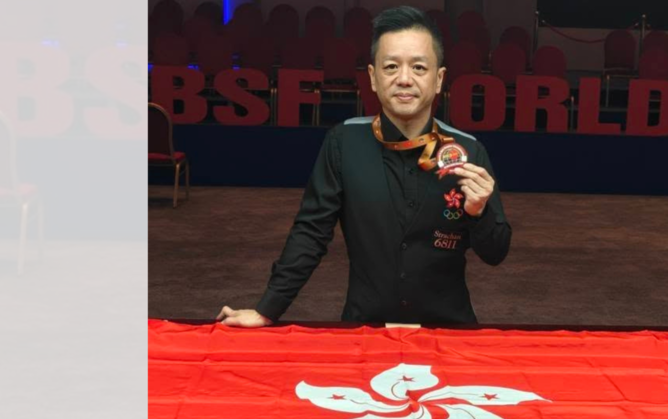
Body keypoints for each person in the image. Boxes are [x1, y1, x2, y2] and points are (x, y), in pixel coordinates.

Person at [217, 6, 510, 327]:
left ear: (439, 79)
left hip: (448, 329)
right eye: (391, 66)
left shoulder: (468, 151)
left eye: (419, 67)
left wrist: (479, 212)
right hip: (364, 331)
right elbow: (311, 233)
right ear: (372, 77)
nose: (404, 79)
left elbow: (495, 253)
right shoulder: (343, 143)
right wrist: (267, 309)